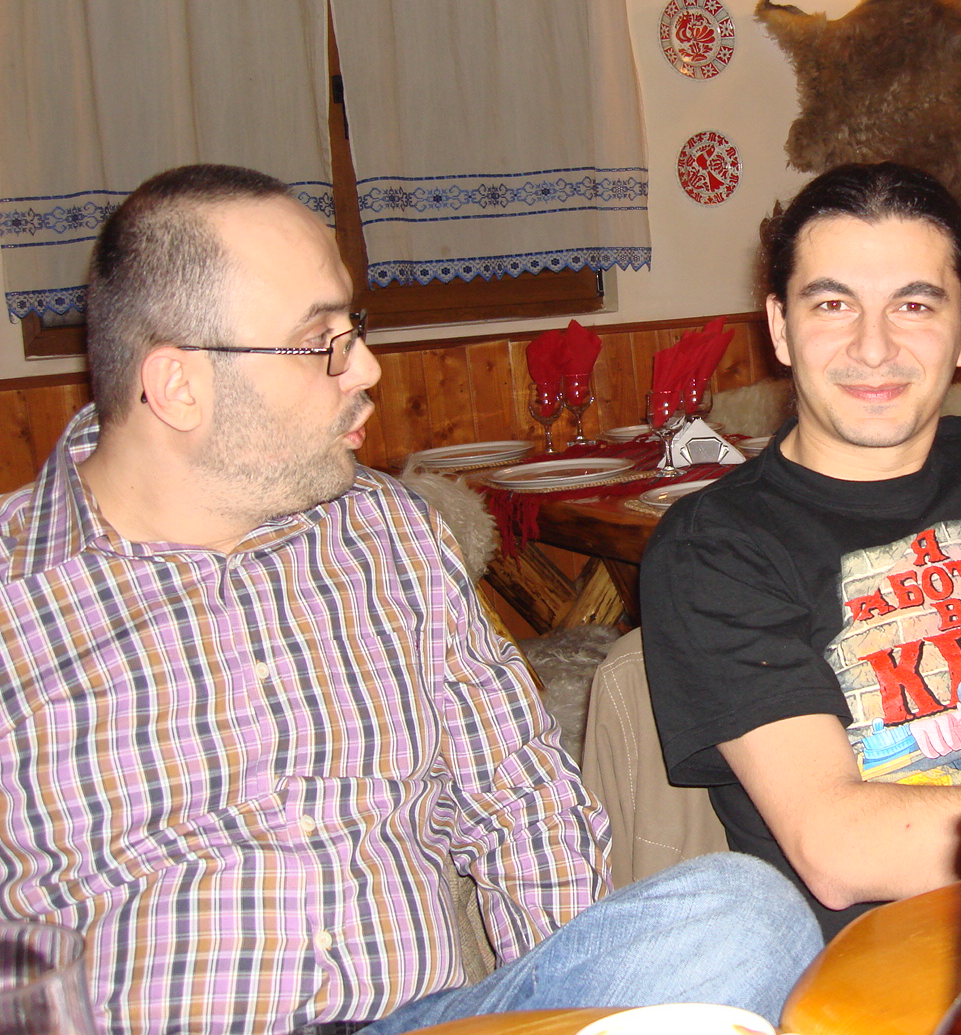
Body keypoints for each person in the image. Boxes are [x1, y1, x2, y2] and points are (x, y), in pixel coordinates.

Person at [0, 165, 820, 1035]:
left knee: (748, 915)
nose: (367, 368)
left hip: (421, 1022)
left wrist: (571, 1012)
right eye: (320, 342)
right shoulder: (19, 594)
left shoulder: (385, 531)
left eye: (352, 328)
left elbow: (519, 798)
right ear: (178, 387)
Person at [640, 163, 961, 939]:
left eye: (914, 305)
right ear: (780, 327)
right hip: (892, 959)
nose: (873, 348)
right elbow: (838, 851)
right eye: (832, 304)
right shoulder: (713, 550)